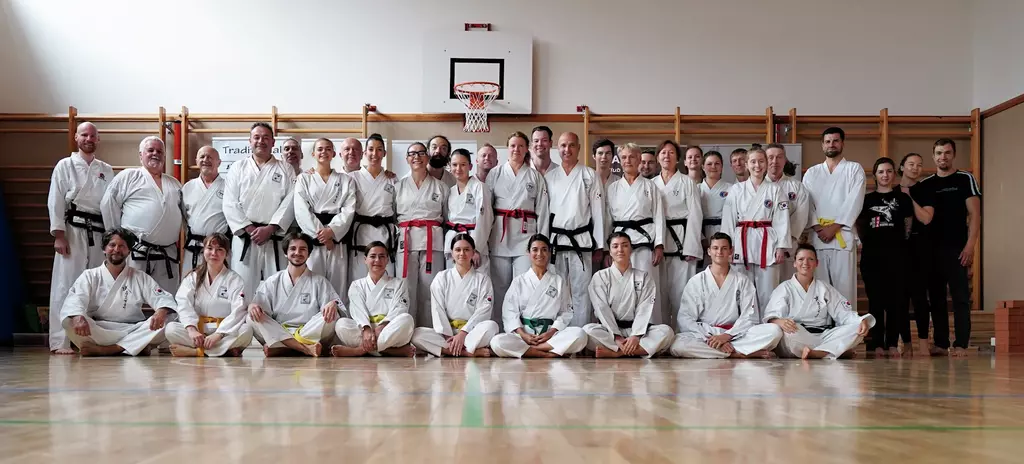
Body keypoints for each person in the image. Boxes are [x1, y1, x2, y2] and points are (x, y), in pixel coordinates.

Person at [47, 121, 114, 354]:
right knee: (66, 284)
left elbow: (110, 205)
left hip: (98, 231)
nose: (88, 139)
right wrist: (58, 234)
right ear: (76, 138)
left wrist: (111, 237)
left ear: (98, 139)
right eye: (84, 134)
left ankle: (88, 339)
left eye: (93, 135)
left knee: (95, 285)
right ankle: (60, 340)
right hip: (72, 229)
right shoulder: (65, 165)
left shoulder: (106, 169)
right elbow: (55, 200)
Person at [60, 228, 176, 356]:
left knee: (169, 320)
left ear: (128, 251)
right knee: (68, 321)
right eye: (112, 245)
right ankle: (136, 346)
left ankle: (109, 349)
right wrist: (77, 316)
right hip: (99, 330)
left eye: (122, 246)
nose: (116, 249)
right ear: (104, 249)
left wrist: (160, 311)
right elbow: (76, 299)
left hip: (132, 329)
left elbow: (162, 298)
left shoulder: (139, 276)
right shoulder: (90, 275)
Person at [668, 233, 783, 359]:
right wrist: (711, 338)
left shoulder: (742, 281)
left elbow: (750, 317)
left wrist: (726, 336)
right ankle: (737, 353)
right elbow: (685, 318)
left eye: (724, 248)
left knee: (774, 331)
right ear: (709, 251)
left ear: (731, 251)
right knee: (677, 345)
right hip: (706, 335)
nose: (719, 252)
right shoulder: (696, 281)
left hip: (735, 334)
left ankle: (725, 351)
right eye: (715, 248)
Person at [916, 138, 981, 357]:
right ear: (933, 156)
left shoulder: (965, 179)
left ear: (953, 155)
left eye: (947, 153)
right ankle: (941, 343)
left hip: (957, 249)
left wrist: (970, 245)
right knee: (936, 299)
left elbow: (974, 214)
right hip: (931, 251)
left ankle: (961, 344)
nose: (943, 157)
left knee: (961, 297)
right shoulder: (926, 184)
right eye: (939, 153)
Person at [222, 122, 296, 300]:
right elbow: (229, 203)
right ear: (250, 141)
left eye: (265, 138)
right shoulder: (238, 168)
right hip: (246, 237)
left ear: (273, 142)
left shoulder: (285, 168)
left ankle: (274, 325)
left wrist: (270, 228)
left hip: (274, 236)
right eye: (256, 137)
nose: (260, 141)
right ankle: (242, 324)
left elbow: (291, 201)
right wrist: (249, 229)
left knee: (276, 286)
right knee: (242, 285)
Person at [101, 136, 184, 293]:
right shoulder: (129, 176)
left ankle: (166, 319)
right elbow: (108, 204)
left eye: (159, 151)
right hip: (136, 251)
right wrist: (116, 238)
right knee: (129, 297)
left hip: (167, 253)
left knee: (167, 300)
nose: (155, 154)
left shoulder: (174, 183)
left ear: (164, 156)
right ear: (141, 155)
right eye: (150, 150)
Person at [764, 244, 875, 359]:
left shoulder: (824, 288)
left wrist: (860, 321)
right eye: (801, 259)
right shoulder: (784, 288)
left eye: (810, 259)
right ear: (794, 263)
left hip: (824, 335)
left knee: (857, 328)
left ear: (816, 263)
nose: (805, 263)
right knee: (787, 334)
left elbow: (843, 312)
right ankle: (835, 351)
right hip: (798, 335)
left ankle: (819, 353)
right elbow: (772, 317)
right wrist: (779, 321)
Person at [856, 158, 917, 358]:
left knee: (895, 302)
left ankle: (892, 342)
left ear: (894, 174)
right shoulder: (866, 200)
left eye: (889, 171)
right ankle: (876, 343)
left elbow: (908, 226)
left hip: (898, 257)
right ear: (875, 175)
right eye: (881, 171)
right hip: (873, 257)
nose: (885, 175)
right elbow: (861, 226)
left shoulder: (903, 199)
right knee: (876, 301)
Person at [488, 131, 550, 326]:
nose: (516, 149)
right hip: (499, 235)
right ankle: (499, 329)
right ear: (507, 149)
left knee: (524, 285)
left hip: (526, 237)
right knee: (499, 288)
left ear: (527, 149)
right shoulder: (495, 173)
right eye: (513, 146)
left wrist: (542, 242)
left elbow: (543, 210)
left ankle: (524, 329)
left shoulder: (535, 176)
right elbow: (486, 210)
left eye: (521, 146)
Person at [247, 232, 343, 357]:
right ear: (285, 253)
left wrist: (333, 304)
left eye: (302, 249)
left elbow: (333, 309)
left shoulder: (319, 281)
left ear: (308, 254)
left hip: (308, 331)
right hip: (280, 329)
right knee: (251, 317)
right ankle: (304, 348)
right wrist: (252, 306)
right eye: (293, 249)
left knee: (332, 315)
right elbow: (259, 308)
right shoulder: (273, 281)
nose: (297, 253)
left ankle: (284, 348)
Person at [490, 234, 588, 358]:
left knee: (580, 334)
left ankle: (533, 351)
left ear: (549, 252)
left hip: (549, 335)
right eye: (535, 249)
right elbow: (509, 312)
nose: (539, 254)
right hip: (525, 335)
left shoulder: (558, 281)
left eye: (544, 249)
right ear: (528, 252)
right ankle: (547, 354)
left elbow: (566, 312)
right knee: (497, 342)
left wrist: (551, 332)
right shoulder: (519, 281)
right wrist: (523, 335)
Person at [802, 127, 865, 313]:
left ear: (842, 143)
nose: (832, 144)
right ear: (822, 145)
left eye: (836, 141)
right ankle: (822, 331)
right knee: (819, 288)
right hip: (819, 236)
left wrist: (834, 227)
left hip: (842, 236)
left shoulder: (854, 169)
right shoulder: (812, 172)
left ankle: (847, 334)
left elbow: (855, 201)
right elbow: (806, 203)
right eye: (828, 141)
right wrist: (817, 226)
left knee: (844, 289)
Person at [546, 132, 606, 327]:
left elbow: (598, 211)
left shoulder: (589, 174)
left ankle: (580, 332)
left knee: (581, 290)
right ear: (558, 148)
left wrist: (599, 244)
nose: (567, 150)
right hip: (555, 241)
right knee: (556, 289)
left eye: (572, 145)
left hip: (581, 241)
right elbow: (544, 212)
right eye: (563, 145)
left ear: (579, 148)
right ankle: (557, 332)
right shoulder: (550, 176)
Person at [721, 147, 790, 310]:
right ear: (746, 165)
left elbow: (782, 219)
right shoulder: (736, 189)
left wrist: (781, 246)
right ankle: (745, 328)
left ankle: (768, 328)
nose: (757, 165)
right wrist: (727, 247)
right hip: (741, 242)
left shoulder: (775, 189)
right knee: (742, 289)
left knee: (768, 290)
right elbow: (728, 220)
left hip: (767, 242)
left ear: (766, 164)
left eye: (761, 161)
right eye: (753, 162)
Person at [583, 232, 674, 358]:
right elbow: (601, 309)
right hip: (610, 331)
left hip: (637, 330)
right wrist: (617, 337)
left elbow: (644, 309)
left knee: (666, 332)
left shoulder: (644, 277)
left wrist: (636, 336)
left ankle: (617, 353)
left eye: (624, 245)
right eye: (615, 246)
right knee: (587, 331)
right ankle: (637, 350)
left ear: (631, 249)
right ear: (609, 251)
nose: (620, 250)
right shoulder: (600, 277)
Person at [165, 233, 253, 357]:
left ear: (227, 254)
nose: (214, 253)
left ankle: (197, 352)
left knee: (247, 331)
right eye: (209, 248)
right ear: (203, 250)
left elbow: (239, 310)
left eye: (219, 250)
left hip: (223, 332)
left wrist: (219, 334)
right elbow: (183, 302)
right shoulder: (193, 277)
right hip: (198, 331)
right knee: (171, 329)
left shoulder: (234, 280)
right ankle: (223, 351)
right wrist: (192, 330)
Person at [411, 234, 500, 357]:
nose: (462, 253)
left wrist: (463, 333)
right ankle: (467, 352)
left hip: (471, 332)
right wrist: (449, 336)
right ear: (452, 253)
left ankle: (452, 350)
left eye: (466, 249)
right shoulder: (442, 277)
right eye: (458, 250)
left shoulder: (483, 279)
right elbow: (438, 310)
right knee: (417, 334)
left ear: (473, 252)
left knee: (492, 326)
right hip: (447, 334)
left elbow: (484, 310)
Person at [606, 143, 666, 322]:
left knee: (647, 286)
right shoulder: (613, 187)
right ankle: (623, 329)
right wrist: (606, 250)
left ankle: (651, 327)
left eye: (631, 157)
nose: (627, 161)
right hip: (619, 246)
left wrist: (659, 245)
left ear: (639, 159)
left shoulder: (650, 186)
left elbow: (659, 216)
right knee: (620, 287)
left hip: (644, 243)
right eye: (623, 157)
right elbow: (608, 220)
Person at [293, 138, 356, 296]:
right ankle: (311, 318)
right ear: (313, 153)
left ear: (334, 153)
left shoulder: (346, 180)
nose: (324, 152)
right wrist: (322, 235)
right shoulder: (304, 179)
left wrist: (332, 231)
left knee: (338, 286)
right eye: (320, 149)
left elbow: (349, 209)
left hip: (337, 240)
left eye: (328, 149)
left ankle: (338, 319)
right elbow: (301, 210)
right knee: (312, 283)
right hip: (313, 239)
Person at [396, 141, 449, 326]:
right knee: (405, 290)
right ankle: (404, 332)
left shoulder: (441, 187)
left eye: (420, 153)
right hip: (406, 241)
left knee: (430, 290)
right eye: (412, 154)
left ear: (427, 157)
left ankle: (428, 333)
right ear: (407, 159)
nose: (416, 157)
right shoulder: (398, 186)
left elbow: (447, 217)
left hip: (432, 242)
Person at [331, 241, 416, 357]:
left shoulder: (398, 283)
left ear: (387, 260)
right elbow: (357, 310)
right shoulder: (357, 285)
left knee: (407, 319)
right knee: (341, 324)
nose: (377, 260)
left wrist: (381, 327)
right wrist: (366, 329)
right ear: (365, 259)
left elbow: (400, 309)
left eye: (382, 257)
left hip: (387, 329)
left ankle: (359, 350)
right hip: (364, 331)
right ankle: (388, 350)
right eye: (372, 256)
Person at [652, 140, 703, 324]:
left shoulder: (687, 182)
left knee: (681, 294)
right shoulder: (651, 184)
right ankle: (661, 334)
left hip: (682, 244)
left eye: (671, 152)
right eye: (663, 152)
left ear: (678, 158)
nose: (667, 156)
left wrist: (691, 247)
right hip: (657, 244)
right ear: (658, 158)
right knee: (658, 293)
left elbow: (696, 215)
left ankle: (682, 335)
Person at [345, 133, 398, 284]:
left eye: (379, 149)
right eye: (371, 149)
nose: (375, 154)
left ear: (384, 153)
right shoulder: (352, 177)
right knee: (359, 278)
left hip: (385, 234)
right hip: (361, 234)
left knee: (385, 277)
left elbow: (397, 209)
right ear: (364, 153)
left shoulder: (392, 179)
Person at [898, 152, 936, 357]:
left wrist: (909, 198)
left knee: (920, 297)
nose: (915, 168)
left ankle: (923, 343)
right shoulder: (892, 190)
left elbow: (926, 218)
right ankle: (906, 343)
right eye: (911, 164)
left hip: (920, 249)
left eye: (919, 165)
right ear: (902, 166)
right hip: (898, 251)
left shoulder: (925, 189)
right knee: (900, 299)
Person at [765, 143, 811, 282]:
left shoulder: (796, 186)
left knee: (788, 283)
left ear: (785, 160)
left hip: (789, 245)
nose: (775, 161)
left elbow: (800, 217)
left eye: (779, 157)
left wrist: (785, 242)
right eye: (770, 157)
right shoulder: (758, 186)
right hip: (763, 243)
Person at [182, 146, 229, 275]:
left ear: (219, 162)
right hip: (193, 247)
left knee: (217, 286)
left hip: (218, 247)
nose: (205, 160)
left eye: (210, 157)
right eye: (202, 157)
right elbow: (184, 218)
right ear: (196, 161)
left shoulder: (228, 186)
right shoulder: (188, 187)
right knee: (190, 286)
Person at [444, 148, 493, 270]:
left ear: (470, 166)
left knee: (476, 282)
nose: (458, 169)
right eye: (454, 165)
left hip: (473, 240)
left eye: (463, 164)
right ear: (450, 167)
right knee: (453, 281)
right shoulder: (451, 191)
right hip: (454, 242)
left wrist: (476, 248)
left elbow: (485, 219)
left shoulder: (479, 187)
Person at [699, 151, 733, 271]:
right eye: (709, 164)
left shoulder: (732, 188)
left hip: (724, 230)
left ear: (722, 166)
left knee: (723, 268)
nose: (713, 167)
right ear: (703, 167)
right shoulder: (696, 189)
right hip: (702, 231)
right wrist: (701, 237)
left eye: (717, 163)